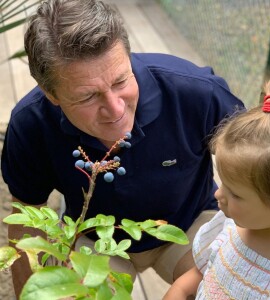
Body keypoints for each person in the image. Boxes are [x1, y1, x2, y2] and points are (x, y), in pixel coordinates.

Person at [1, 0, 244, 297]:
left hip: (191, 226)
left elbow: (264, 171)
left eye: (120, 80)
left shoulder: (196, 92)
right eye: (88, 97)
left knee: (236, 284)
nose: (115, 109)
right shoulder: (30, 124)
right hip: (94, 240)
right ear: (50, 94)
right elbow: (27, 223)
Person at [163, 79, 270, 300]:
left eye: (235, 194)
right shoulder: (226, 228)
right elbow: (191, 281)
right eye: (223, 183)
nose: (218, 194)